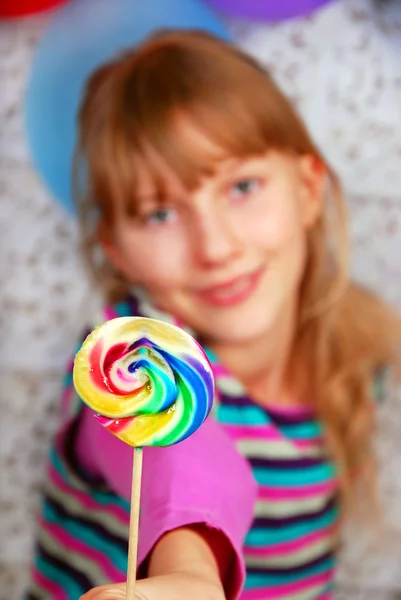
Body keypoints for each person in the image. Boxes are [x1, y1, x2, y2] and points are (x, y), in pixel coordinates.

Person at [25, 30, 401, 600]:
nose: (216, 247)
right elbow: (182, 455)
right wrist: (192, 573)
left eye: (242, 187)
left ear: (307, 188)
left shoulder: (358, 352)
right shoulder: (128, 359)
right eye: (158, 215)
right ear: (116, 247)